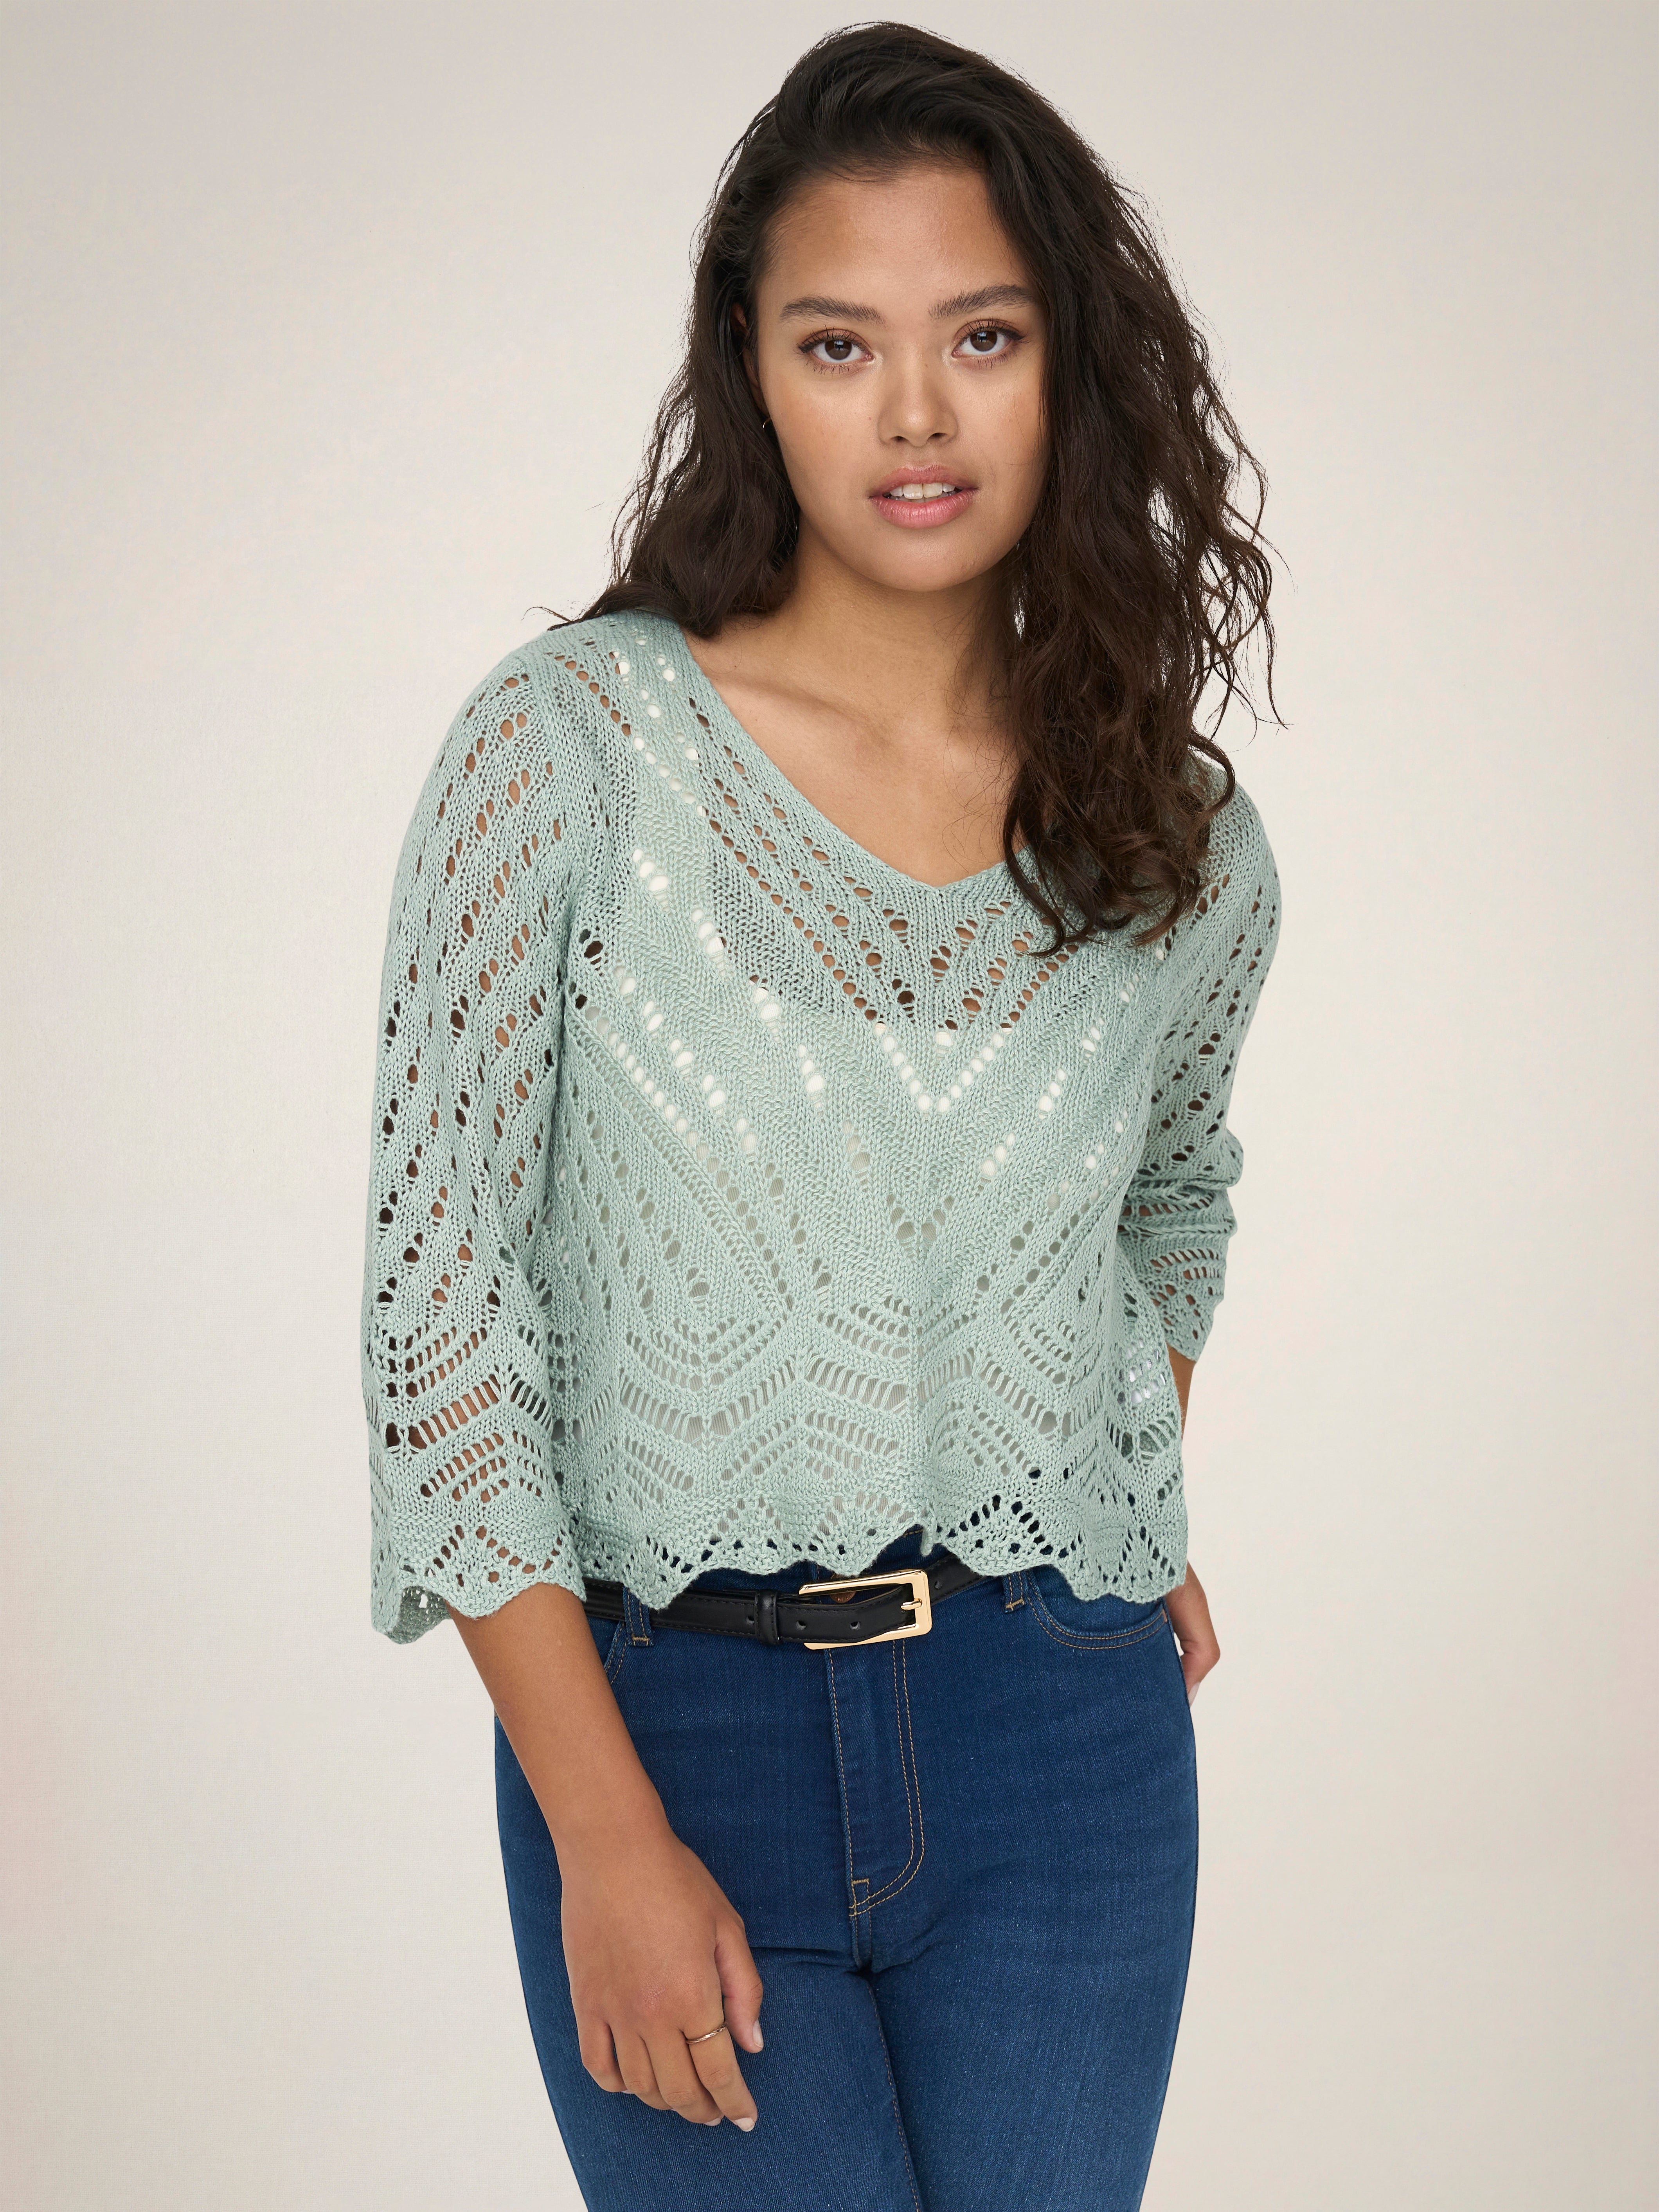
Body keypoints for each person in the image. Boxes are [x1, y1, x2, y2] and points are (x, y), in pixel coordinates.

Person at [358, 22, 1282, 2211]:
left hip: (1064, 1736)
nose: (917, 413)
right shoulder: (567, 758)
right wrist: (600, 1827)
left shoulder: (1174, 831)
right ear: (751, 372)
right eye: (840, 343)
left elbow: (1174, 1202)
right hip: (673, 1730)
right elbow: (443, 1321)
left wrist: (1086, 1465)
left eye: (985, 336)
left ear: (1072, 365)